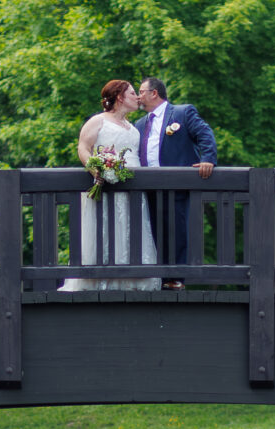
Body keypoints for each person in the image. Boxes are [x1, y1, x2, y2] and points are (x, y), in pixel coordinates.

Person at [63, 80, 158, 291]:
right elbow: (83, 148)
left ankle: (132, 280)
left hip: (133, 188)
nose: (137, 97)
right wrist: (96, 168)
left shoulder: (133, 128)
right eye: (133, 93)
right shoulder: (98, 121)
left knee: (131, 227)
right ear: (120, 97)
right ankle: (95, 280)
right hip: (106, 186)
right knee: (103, 228)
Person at [132, 78, 217, 289]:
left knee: (177, 230)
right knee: (152, 230)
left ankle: (175, 278)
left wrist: (208, 159)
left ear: (154, 93)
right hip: (147, 186)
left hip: (175, 183)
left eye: (141, 91)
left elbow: (204, 134)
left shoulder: (181, 112)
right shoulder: (140, 124)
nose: (138, 96)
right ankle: (156, 277)